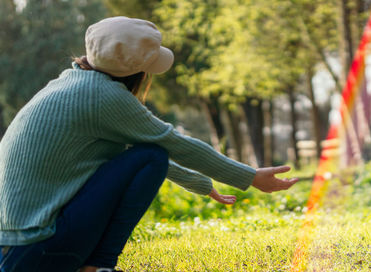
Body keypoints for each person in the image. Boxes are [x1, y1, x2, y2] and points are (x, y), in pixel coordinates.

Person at [0, 16, 299, 272]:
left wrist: (201, 183)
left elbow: (133, 157)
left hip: (15, 249)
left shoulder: (69, 83)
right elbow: (171, 145)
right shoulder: (106, 98)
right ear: (136, 73)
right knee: (153, 155)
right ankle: (99, 266)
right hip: (39, 249)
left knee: (150, 155)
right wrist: (250, 177)